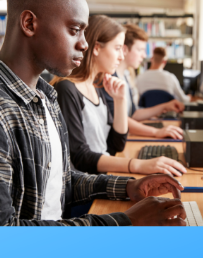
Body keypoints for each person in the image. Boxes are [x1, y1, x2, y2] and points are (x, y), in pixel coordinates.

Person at [0, 0, 186, 226]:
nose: (85, 44)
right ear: (29, 23)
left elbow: (64, 181)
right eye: (74, 30)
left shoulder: (46, 96)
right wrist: (122, 222)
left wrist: (128, 186)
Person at [51, 15, 187, 177]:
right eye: (117, 49)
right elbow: (80, 157)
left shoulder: (97, 86)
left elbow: (116, 145)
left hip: (103, 177)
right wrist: (137, 165)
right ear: (96, 48)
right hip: (86, 187)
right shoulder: (67, 89)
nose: (121, 57)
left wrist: (120, 100)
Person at [100, 24, 185, 140]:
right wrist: (156, 132)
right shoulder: (109, 79)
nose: (144, 55)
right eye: (140, 50)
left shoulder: (125, 76)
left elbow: (134, 114)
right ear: (124, 49)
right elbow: (118, 118)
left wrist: (165, 106)